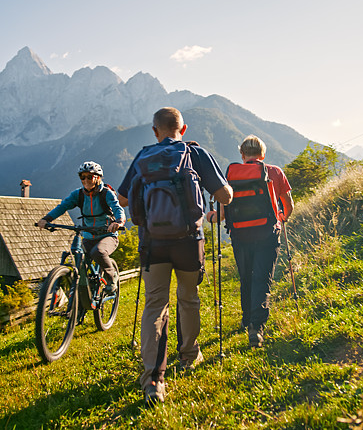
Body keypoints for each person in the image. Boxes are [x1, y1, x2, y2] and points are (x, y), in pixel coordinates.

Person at [117, 107, 232, 406]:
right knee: (188, 296)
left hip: (152, 243)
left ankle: (153, 380)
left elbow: (123, 199)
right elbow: (225, 196)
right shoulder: (195, 153)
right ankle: (189, 355)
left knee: (155, 304)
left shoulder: (143, 156)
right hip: (188, 240)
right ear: (183, 129)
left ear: (154, 131)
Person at [208, 135, 293, 349]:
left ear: (243, 155)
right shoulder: (274, 172)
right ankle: (256, 327)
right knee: (262, 278)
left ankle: (246, 319)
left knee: (246, 277)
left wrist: (211, 217)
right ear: (263, 154)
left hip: (240, 236)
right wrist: (281, 218)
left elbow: (222, 213)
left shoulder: (231, 176)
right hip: (267, 233)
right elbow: (288, 204)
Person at [37, 161, 126, 294]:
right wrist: (46, 219)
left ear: (98, 178)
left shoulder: (106, 194)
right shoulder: (78, 195)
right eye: (82, 177)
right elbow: (62, 207)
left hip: (107, 235)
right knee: (77, 259)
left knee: (99, 252)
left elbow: (117, 208)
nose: (85, 180)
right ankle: (80, 299)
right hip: (88, 235)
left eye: (89, 177)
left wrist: (118, 222)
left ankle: (112, 276)